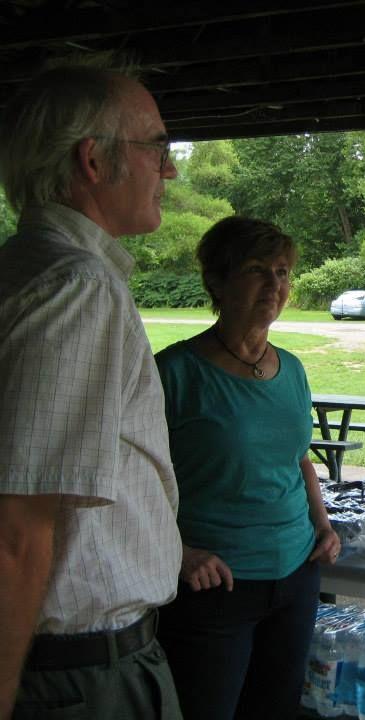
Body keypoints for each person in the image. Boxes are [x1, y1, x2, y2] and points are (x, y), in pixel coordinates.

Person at [0, 64, 182, 718]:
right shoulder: (78, 287)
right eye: (159, 148)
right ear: (94, 161)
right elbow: (16, 526)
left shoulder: (25, 268)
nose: (171, 170)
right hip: (76, 678)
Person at [154, 215, 341, 720]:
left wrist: (322, 526)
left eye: (281, 271)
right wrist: (179, 552)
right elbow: (131, 478)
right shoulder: (174, 372)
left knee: (275, 709)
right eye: (257, 269)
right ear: (217, 280)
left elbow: (298, 457)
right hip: (215, 587)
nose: (274, 285)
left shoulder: (293, 368)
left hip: (296, 575)